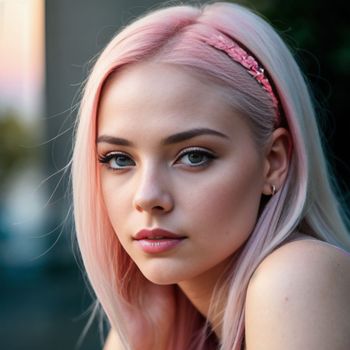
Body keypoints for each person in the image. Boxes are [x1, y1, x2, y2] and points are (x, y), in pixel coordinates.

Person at [71, 2, 350, 349]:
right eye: (118, 159)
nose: (147, 197)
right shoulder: (160, 317)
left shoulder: (298, 275)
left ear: (274, 161)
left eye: (193, 156)